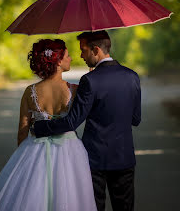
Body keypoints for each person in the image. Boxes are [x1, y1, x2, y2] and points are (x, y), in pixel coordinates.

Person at [34, 30, 141, 211]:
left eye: (83, 50)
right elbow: (135, 119)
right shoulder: (132, 76)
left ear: (95, 50)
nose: (81, 56)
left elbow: (71, 122)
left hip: (94, 159)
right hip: (124, 157)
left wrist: (40, 127)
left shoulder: (90, 81)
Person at [0, 39, 97, 211]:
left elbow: (22, 130)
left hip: (34, 150)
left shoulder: (30, 92)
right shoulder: (75, 90)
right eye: (68, 55)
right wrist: (93, 76)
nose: (71, 59)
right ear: (59, 61)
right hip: (70, 150)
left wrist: (22, 160)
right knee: (71, 196)